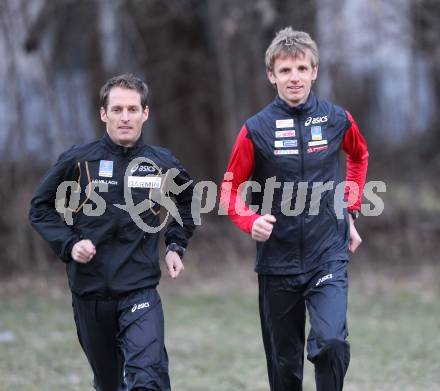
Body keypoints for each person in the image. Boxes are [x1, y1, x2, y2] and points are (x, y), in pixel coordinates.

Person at [220, 27, 368, 391]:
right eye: (285, 70)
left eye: (302, 68)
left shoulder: (336, 119)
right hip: (278, 263)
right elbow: (228, 190)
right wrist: (249, 220)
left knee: (331, 343)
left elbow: (359, 156)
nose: (295, 77)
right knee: (285, 371)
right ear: (271, 75)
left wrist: (350, 207)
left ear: (314, 71)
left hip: (327, 255)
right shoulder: (255, 129)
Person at [29, 73, 196, 391]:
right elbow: (40, 208)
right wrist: (70, 244)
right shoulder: (79, 161)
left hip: (140, 290)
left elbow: (189, 202)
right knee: (110, 384)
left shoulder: (160, 162)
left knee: (148, 379)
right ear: (103, 113)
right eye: (117, 110)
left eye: (132, 109)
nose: (125, 117)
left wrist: (175, 244)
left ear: (145, 113)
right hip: (90, 294)